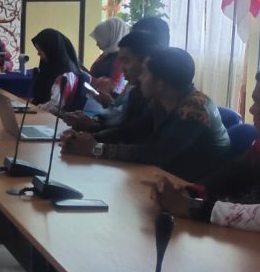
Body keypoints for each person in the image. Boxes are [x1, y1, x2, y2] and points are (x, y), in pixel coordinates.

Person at [61, 47, 230, 181]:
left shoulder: (195, 109)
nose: (140, 78)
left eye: (145, 73)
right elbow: (131, 131)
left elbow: (158, 154)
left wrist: (97, 149)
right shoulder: (161, 100)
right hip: (166, 176)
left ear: (160, 84)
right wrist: (87, 138)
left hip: (197, 188)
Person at [150, 66, 260, 235]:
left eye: (257, 102)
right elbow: (234, 173)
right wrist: (189, 192)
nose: (251, 110)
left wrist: (192, 207)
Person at [62, 29, 159, 134]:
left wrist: (92, 127)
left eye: (126, 61)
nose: (122, 69)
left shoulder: (154, 101)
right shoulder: (134, 90)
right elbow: (120, 124)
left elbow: (127, 134)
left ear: (144, 61)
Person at [30, 29, 86, 113]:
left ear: (51, 49)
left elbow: (55, 106)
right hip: (42, 116)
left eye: (40, 50)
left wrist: (34, 108)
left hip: (54, 119)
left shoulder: (66, 74)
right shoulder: (49, 67)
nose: (38, 53)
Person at [88, 17, 130, 106]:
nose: (97, 43)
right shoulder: (106, 55)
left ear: (111, 37)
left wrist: (91, 80)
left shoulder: (120, 58)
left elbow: (113, 87)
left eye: (101, 39)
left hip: (108, 106)